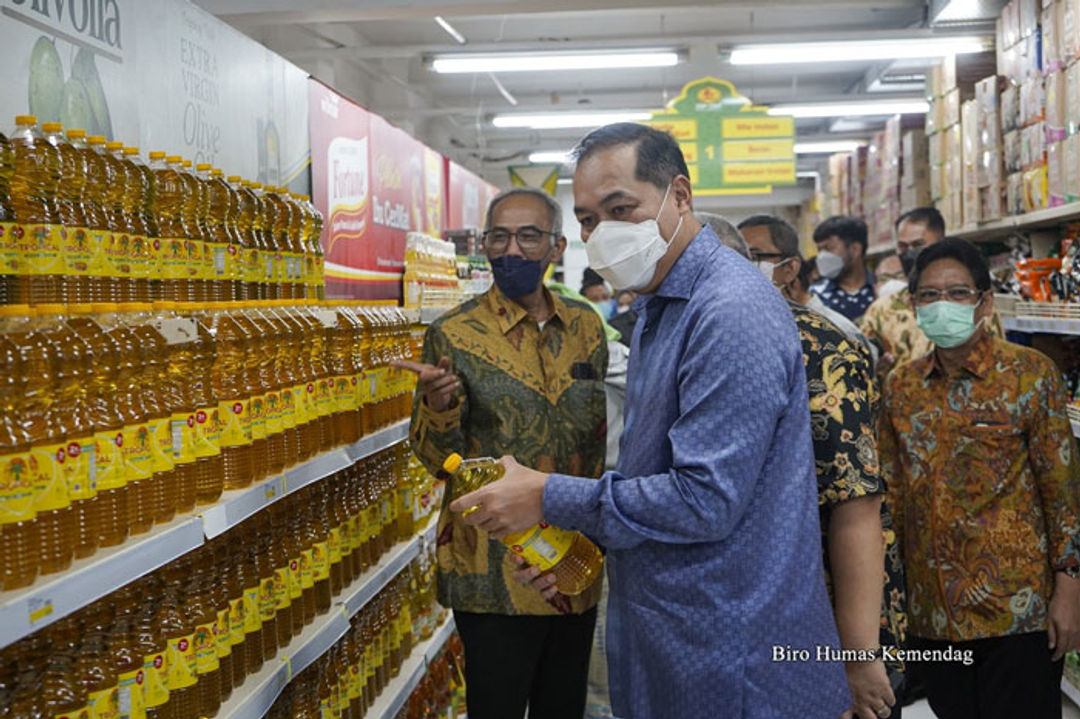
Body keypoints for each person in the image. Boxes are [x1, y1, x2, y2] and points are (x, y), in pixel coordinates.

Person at [449, 122, 850, 718]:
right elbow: (659, 470)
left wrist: (548, 496)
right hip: (677, 634)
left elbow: (705, 499)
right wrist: (591, 548)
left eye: (621, 208)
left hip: (732, 658)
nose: (601, 233)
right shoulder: (663, 304)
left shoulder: (728, 311)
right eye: (587, 218)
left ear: (679, 196)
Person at [396, 186, 608, 719]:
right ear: (486, 245)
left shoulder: (586, 328)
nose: (513, 250)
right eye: (500, 236)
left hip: (572, 560)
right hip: (494, 571)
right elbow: (434, 458)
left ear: (557, 247)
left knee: (564, 706)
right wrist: (439, 406)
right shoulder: (453, 334)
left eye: (529, 236)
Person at [879, 238, 1080, 719]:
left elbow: (1062, 492)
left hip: (1017, 611)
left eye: (957, 293)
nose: (941, 305)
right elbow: (892, 497)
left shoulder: (1029, 375)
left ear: (985, 302)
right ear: (913, 304)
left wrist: (1070, 589)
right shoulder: (901, 388)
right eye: (928, 296)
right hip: (932, 613)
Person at [741, 214, 907, 718]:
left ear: (789, 268)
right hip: (765, 610)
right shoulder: (717, 337)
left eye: (755, 260)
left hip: (833, 606)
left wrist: (858, 654)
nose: (740, 272)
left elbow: (856, 505)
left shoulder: (824, 345)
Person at [738, 215, 877, 364]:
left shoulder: (838, 332)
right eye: (735, 257)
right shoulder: (737, 329)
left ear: (790, 268)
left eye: (753, 256)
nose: (740, 266)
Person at [859, 207, 947, 377]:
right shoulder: (881, 311)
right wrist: (875, 371)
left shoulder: (967, 305)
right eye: (902, 247)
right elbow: (860, 373)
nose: (909, 254)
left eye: (918, 245)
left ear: (941, 245)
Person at [811, 216, 877, 322]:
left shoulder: (880, 289)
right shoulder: (815, 296)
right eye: (820, 250)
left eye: (829, 248)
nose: (822, 256)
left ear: (855, 249)